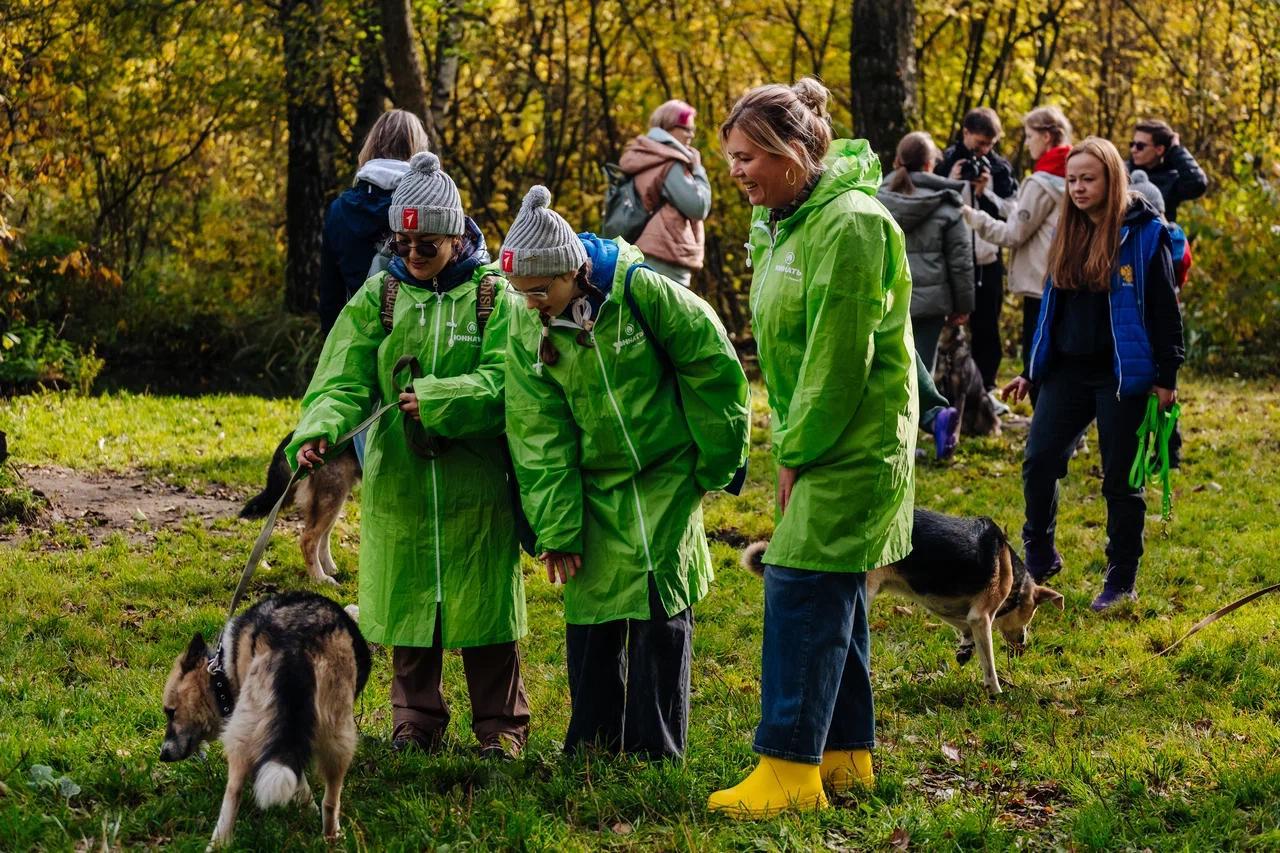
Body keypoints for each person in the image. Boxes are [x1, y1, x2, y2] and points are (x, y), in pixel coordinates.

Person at [708, 78, 916, 818]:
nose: (733, 172)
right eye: (728, 157)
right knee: (835, 595)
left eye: (745, 157)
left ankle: (789, 771)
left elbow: (838, 360)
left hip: (850, 441)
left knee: (798, 586)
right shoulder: (788, 222)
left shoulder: (850, 225)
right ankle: (845, 756)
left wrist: (795, 450)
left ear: (792, 152)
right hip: (821, 433)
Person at [288, 152, 531, 758]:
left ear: (456, 232)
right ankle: (414, 720)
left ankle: (500, 727)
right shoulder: (381, 295)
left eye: (426, 243)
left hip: (475, 482)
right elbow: (341, 376)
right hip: (401, 481)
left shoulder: (494, 297)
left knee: (486, 611)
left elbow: (509, 381)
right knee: (407, 605)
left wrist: (441, 397)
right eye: (403, 241)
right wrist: (321, 428)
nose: (414, 253)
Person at [500, 186, 750, 759]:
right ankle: (592, 744)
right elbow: (539, 431)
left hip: (666, 476)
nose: (531, 302)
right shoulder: (525, 323)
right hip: (591, 487)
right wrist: (557, 528)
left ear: (573, 271)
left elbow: (712, 367)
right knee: (592, 613)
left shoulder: (642, 291)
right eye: (521, 291)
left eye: (540, 290)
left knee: (662, 610)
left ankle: (655, 750)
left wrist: (714, 461)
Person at [1002, 138, 1184, 612]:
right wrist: (1032, 371)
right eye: (1073, 180)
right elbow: (1050, 311)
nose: (1079, 188)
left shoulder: (1145, 233)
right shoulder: (1068, 228)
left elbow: (1165, 309)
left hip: (1123, 376)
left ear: (1111, 179)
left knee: (1120, 480)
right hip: (1066, 370)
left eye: (1088, 179)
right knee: (1039, 461)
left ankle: (1121, 576)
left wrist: (1168, 376)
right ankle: (1039, 553)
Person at [962, 106, 1073, 404]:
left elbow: (1013, 234)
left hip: (1039, 283)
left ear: (1046, 136)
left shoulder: (1041, 181)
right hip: (1066, 277)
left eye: (1029, 136)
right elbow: (1025, 217)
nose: (1027, 143)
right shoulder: (1074, 174)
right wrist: (990, 196)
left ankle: (1047, 434)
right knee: (1063, 359)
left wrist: (972, 216)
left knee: (1036, 361)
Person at [318, 109, 431, 334]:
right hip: (420, 338)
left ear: (371, 145)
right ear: (419, 149)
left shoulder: (339, 210)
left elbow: (330, 298)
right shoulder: (429, 205)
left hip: (357, 337)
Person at [935, 107, 1018, 394]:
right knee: (949, 326)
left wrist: (986, 193)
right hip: (952, 257)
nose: (983, 150)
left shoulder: (999, 168)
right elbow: (931, 204)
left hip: (987, 259)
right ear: (965, 133)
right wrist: (952, 180)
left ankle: (987, 386)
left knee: (987, 326)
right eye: (979, 142)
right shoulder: (945, 161)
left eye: (989, 145)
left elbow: (1013, 214)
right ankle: (946, 386)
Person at [877, 132, 974, 371]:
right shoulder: (947, 205)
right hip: (930, 306)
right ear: (930, 164)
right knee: (922, 375)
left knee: (888, 372)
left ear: (897, 161)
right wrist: (963, 305)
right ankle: (922, 410)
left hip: (885, 301)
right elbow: (960, 261)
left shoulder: (874, 199)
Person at [617, 100, 713, 287]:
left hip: (639, 246)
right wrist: (699, 170)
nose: (691, 134)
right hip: (665, 253)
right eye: (687, 128)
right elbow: (698, 207)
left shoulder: (644, 154)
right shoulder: (669, 162)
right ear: (669, 126)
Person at [1126, 119, 1207, 222]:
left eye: (1140, 146)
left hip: (1159, 236)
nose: (1133, 150)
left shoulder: (1171, 179)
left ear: (1159, 149)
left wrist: (1176, 149)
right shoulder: (1123, 172)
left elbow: (1197, 183)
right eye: (1132, 144)